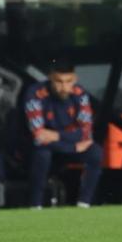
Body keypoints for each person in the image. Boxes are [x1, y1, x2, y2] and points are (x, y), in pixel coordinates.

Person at [23, 58, 102, 208]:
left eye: (68, 81)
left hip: (66, 144)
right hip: (45, 148)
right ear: (50, 78)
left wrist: (56, 136)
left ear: (75, 79)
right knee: (42, 154)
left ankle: (84, 203)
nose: (64, 87)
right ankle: (35, 205)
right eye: (59, 82)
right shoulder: (35, 94)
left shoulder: (80, 94)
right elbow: (39, 136)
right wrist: (72, 145)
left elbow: (86, 132)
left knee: (95, 152)